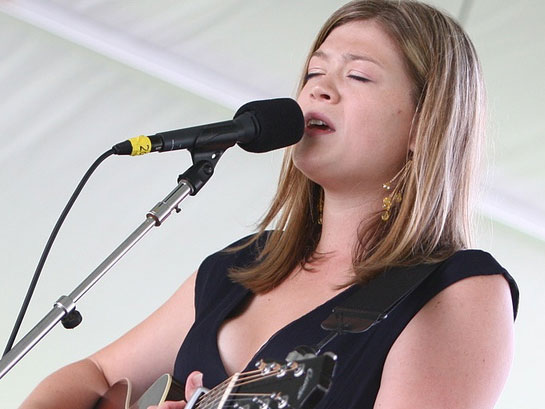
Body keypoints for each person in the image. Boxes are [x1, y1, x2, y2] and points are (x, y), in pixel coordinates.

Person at [19, 1, 519, 408]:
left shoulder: (454, 291)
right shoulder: (238, 267)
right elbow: (95, 373)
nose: (320, 88)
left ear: (424, 124)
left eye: (358, 77)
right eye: (314, 72)